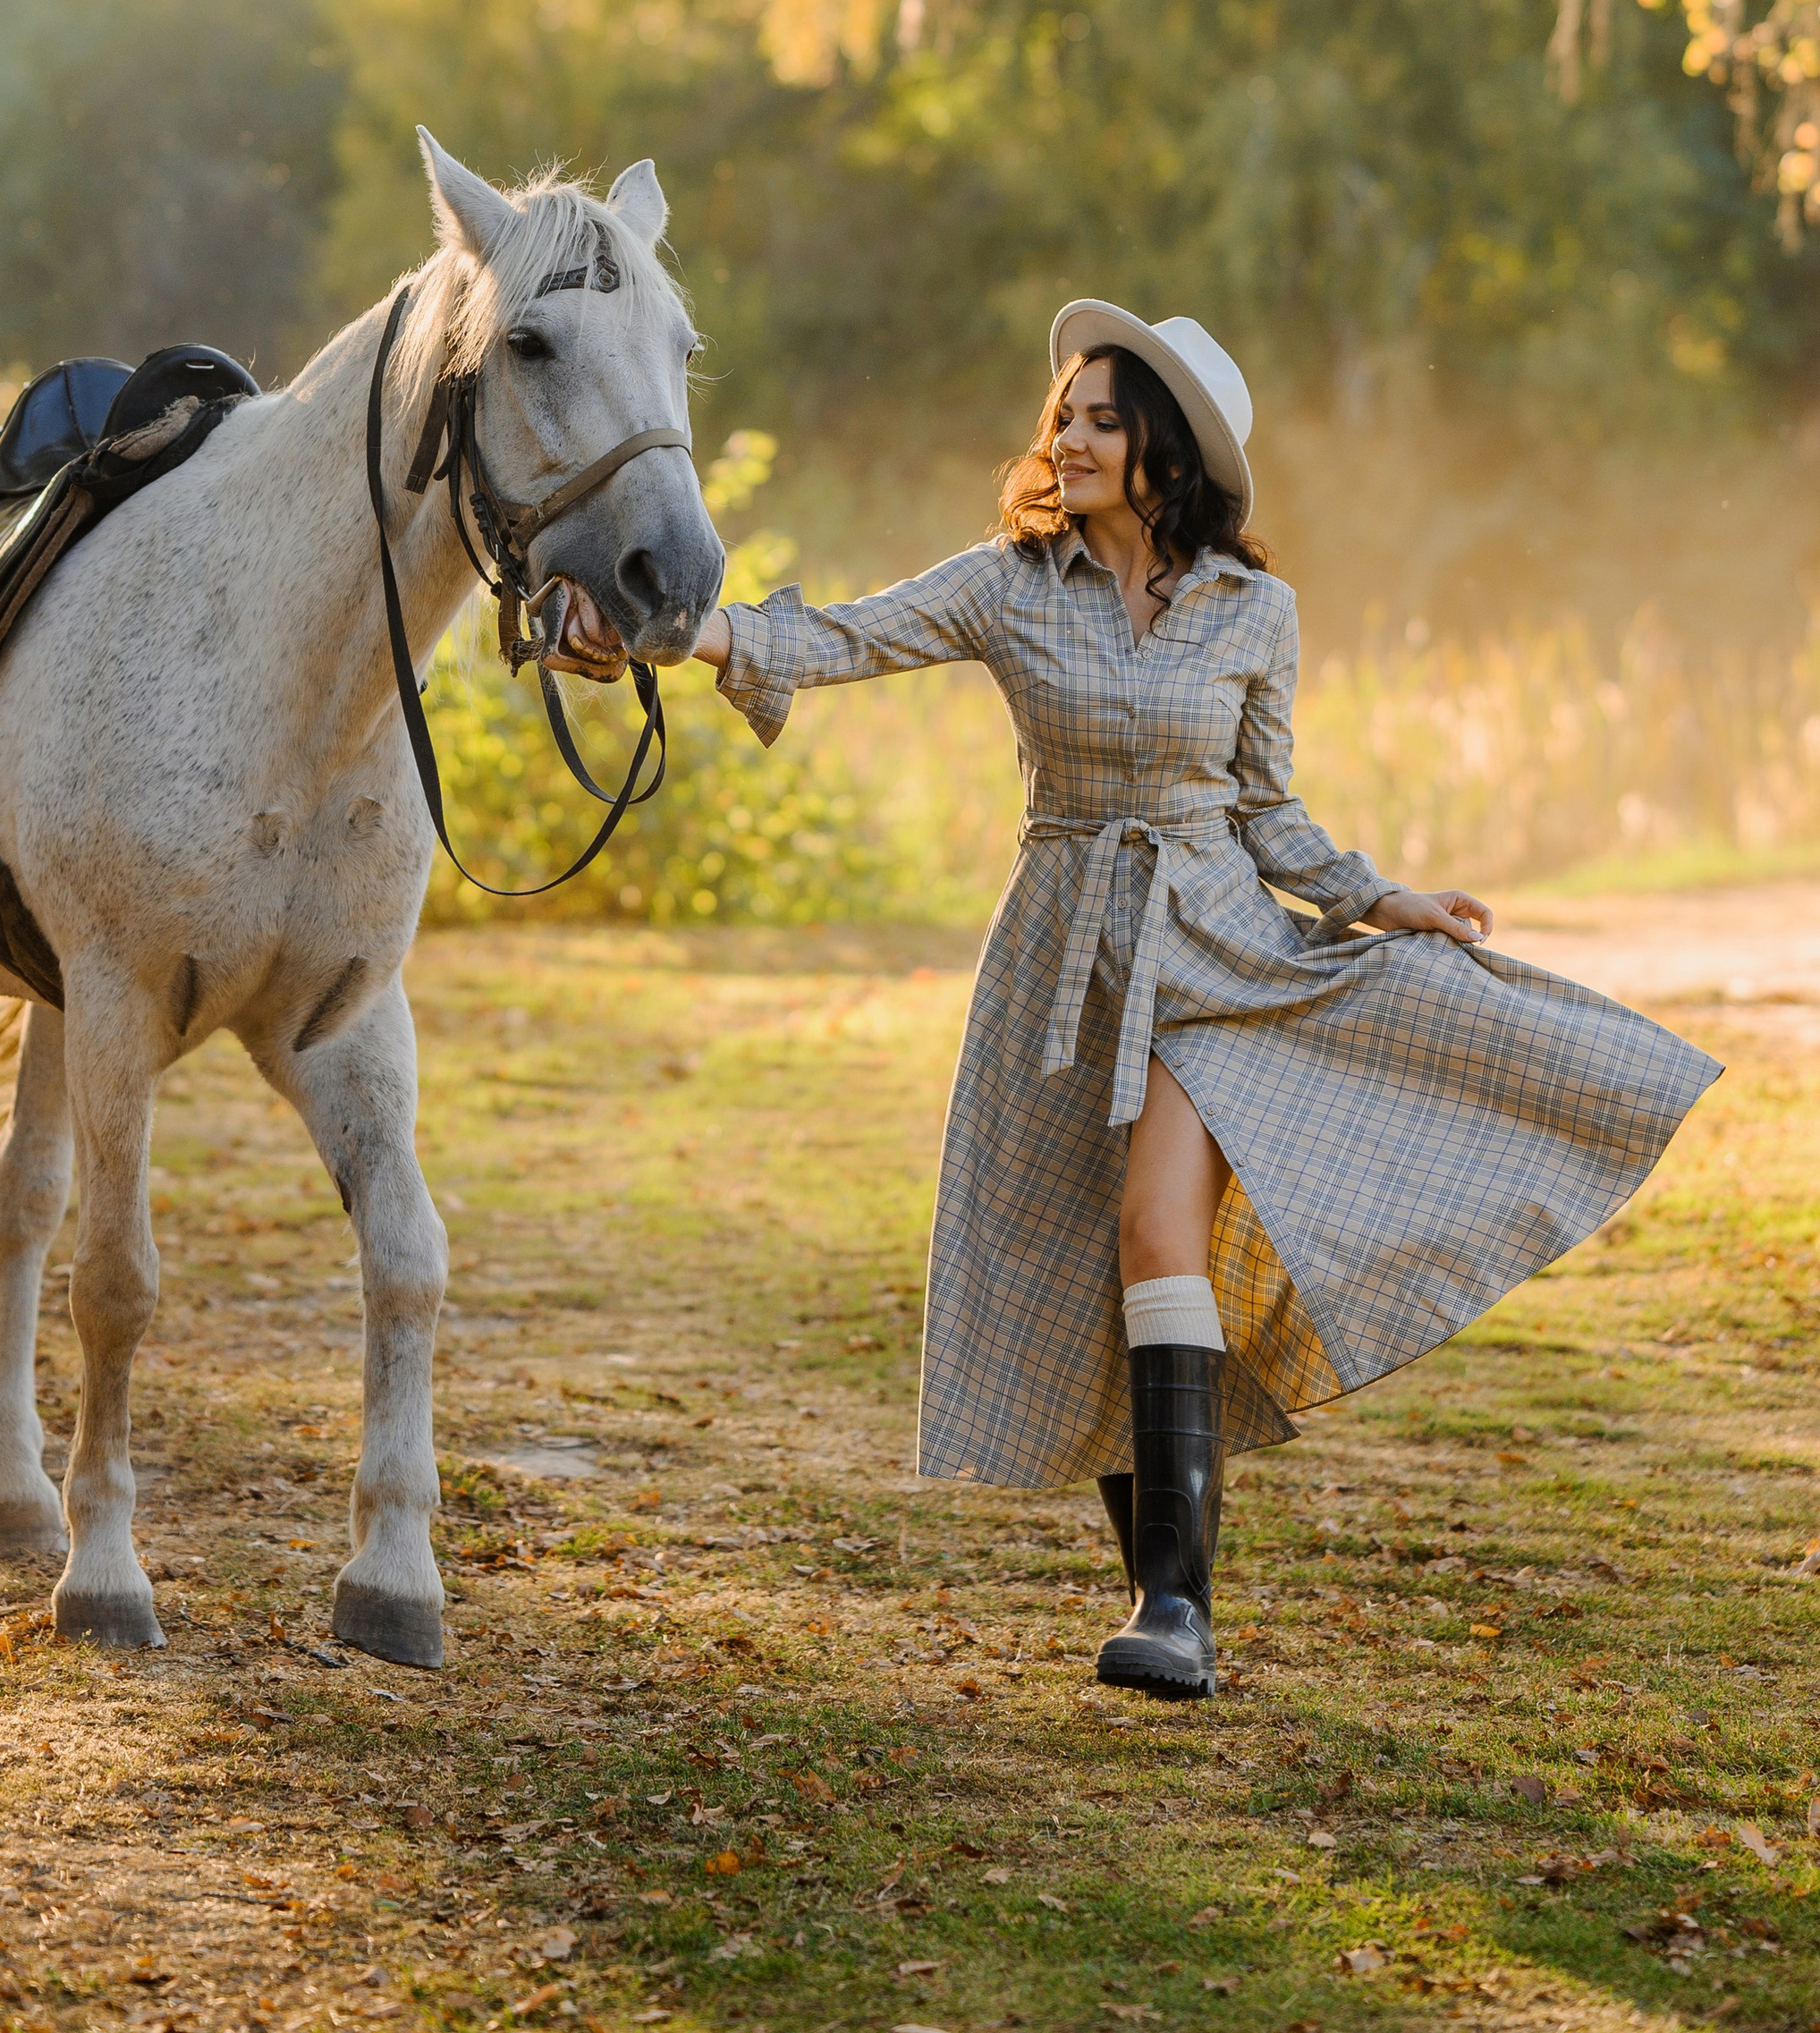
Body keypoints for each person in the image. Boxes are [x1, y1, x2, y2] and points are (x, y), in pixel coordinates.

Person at [550, 301, 1719, 1701]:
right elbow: (843, 639)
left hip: (1222, 947)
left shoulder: (1253, 610)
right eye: (1067, 415)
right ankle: (1167, 1603)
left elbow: (1267, 810)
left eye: (1105, 417)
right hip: (1063, 954)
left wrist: (1373, 895)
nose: (1073, 436)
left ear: (1165, 445)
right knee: (1095, 1270)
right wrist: (658, 632)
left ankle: (1177, 1601)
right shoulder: (1010, 584)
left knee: (1155, 1218)